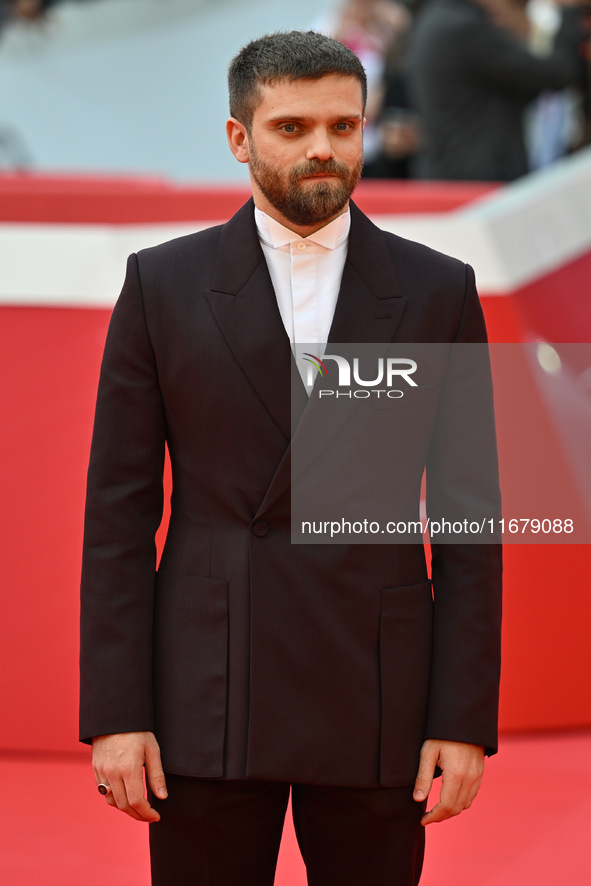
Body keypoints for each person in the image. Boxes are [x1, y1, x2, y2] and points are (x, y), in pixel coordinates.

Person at [80, 30, 502, 886]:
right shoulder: (161, 284)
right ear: (239, 138)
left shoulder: (437, 290)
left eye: (343, 127)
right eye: (293, 127)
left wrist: (460, 719)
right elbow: (117, 515)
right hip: (206, 689)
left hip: (376, 690)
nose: (322, 148)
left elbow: (469, 519)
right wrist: (116, 714)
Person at [408, 0, 590, 181]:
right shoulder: (464, 27)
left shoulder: (438, 18)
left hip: (457, 172)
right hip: (478, 181)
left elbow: (513, 86)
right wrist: (569, 12)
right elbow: (554, 75)